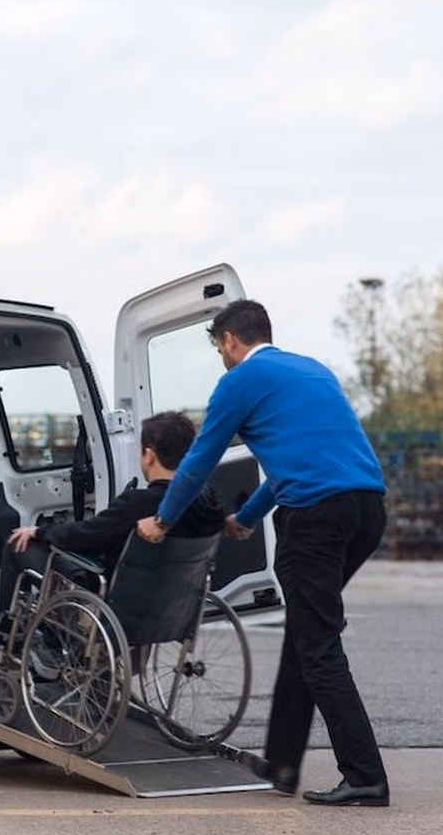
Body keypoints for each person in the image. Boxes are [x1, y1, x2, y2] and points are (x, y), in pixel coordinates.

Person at [136, 299, 389, 807]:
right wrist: (248, 517)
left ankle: (365, 775)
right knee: (305, 634)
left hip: (316, 518)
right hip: (365, 509)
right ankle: (282, 765)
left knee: (317, 645)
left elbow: (200, 459)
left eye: (219, 349)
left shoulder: (240, 381)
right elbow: (296, 464)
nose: (222, 360)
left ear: (229, 340)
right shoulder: (311, 371)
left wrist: (162, 520)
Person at [0, 411, 223, 665]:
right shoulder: (207, 501)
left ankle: (8, 642)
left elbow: (86, 535)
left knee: (19, 545)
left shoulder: (138, 502)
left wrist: (40, 532)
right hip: (170, 611)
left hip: (113, 605)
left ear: (149, 455)